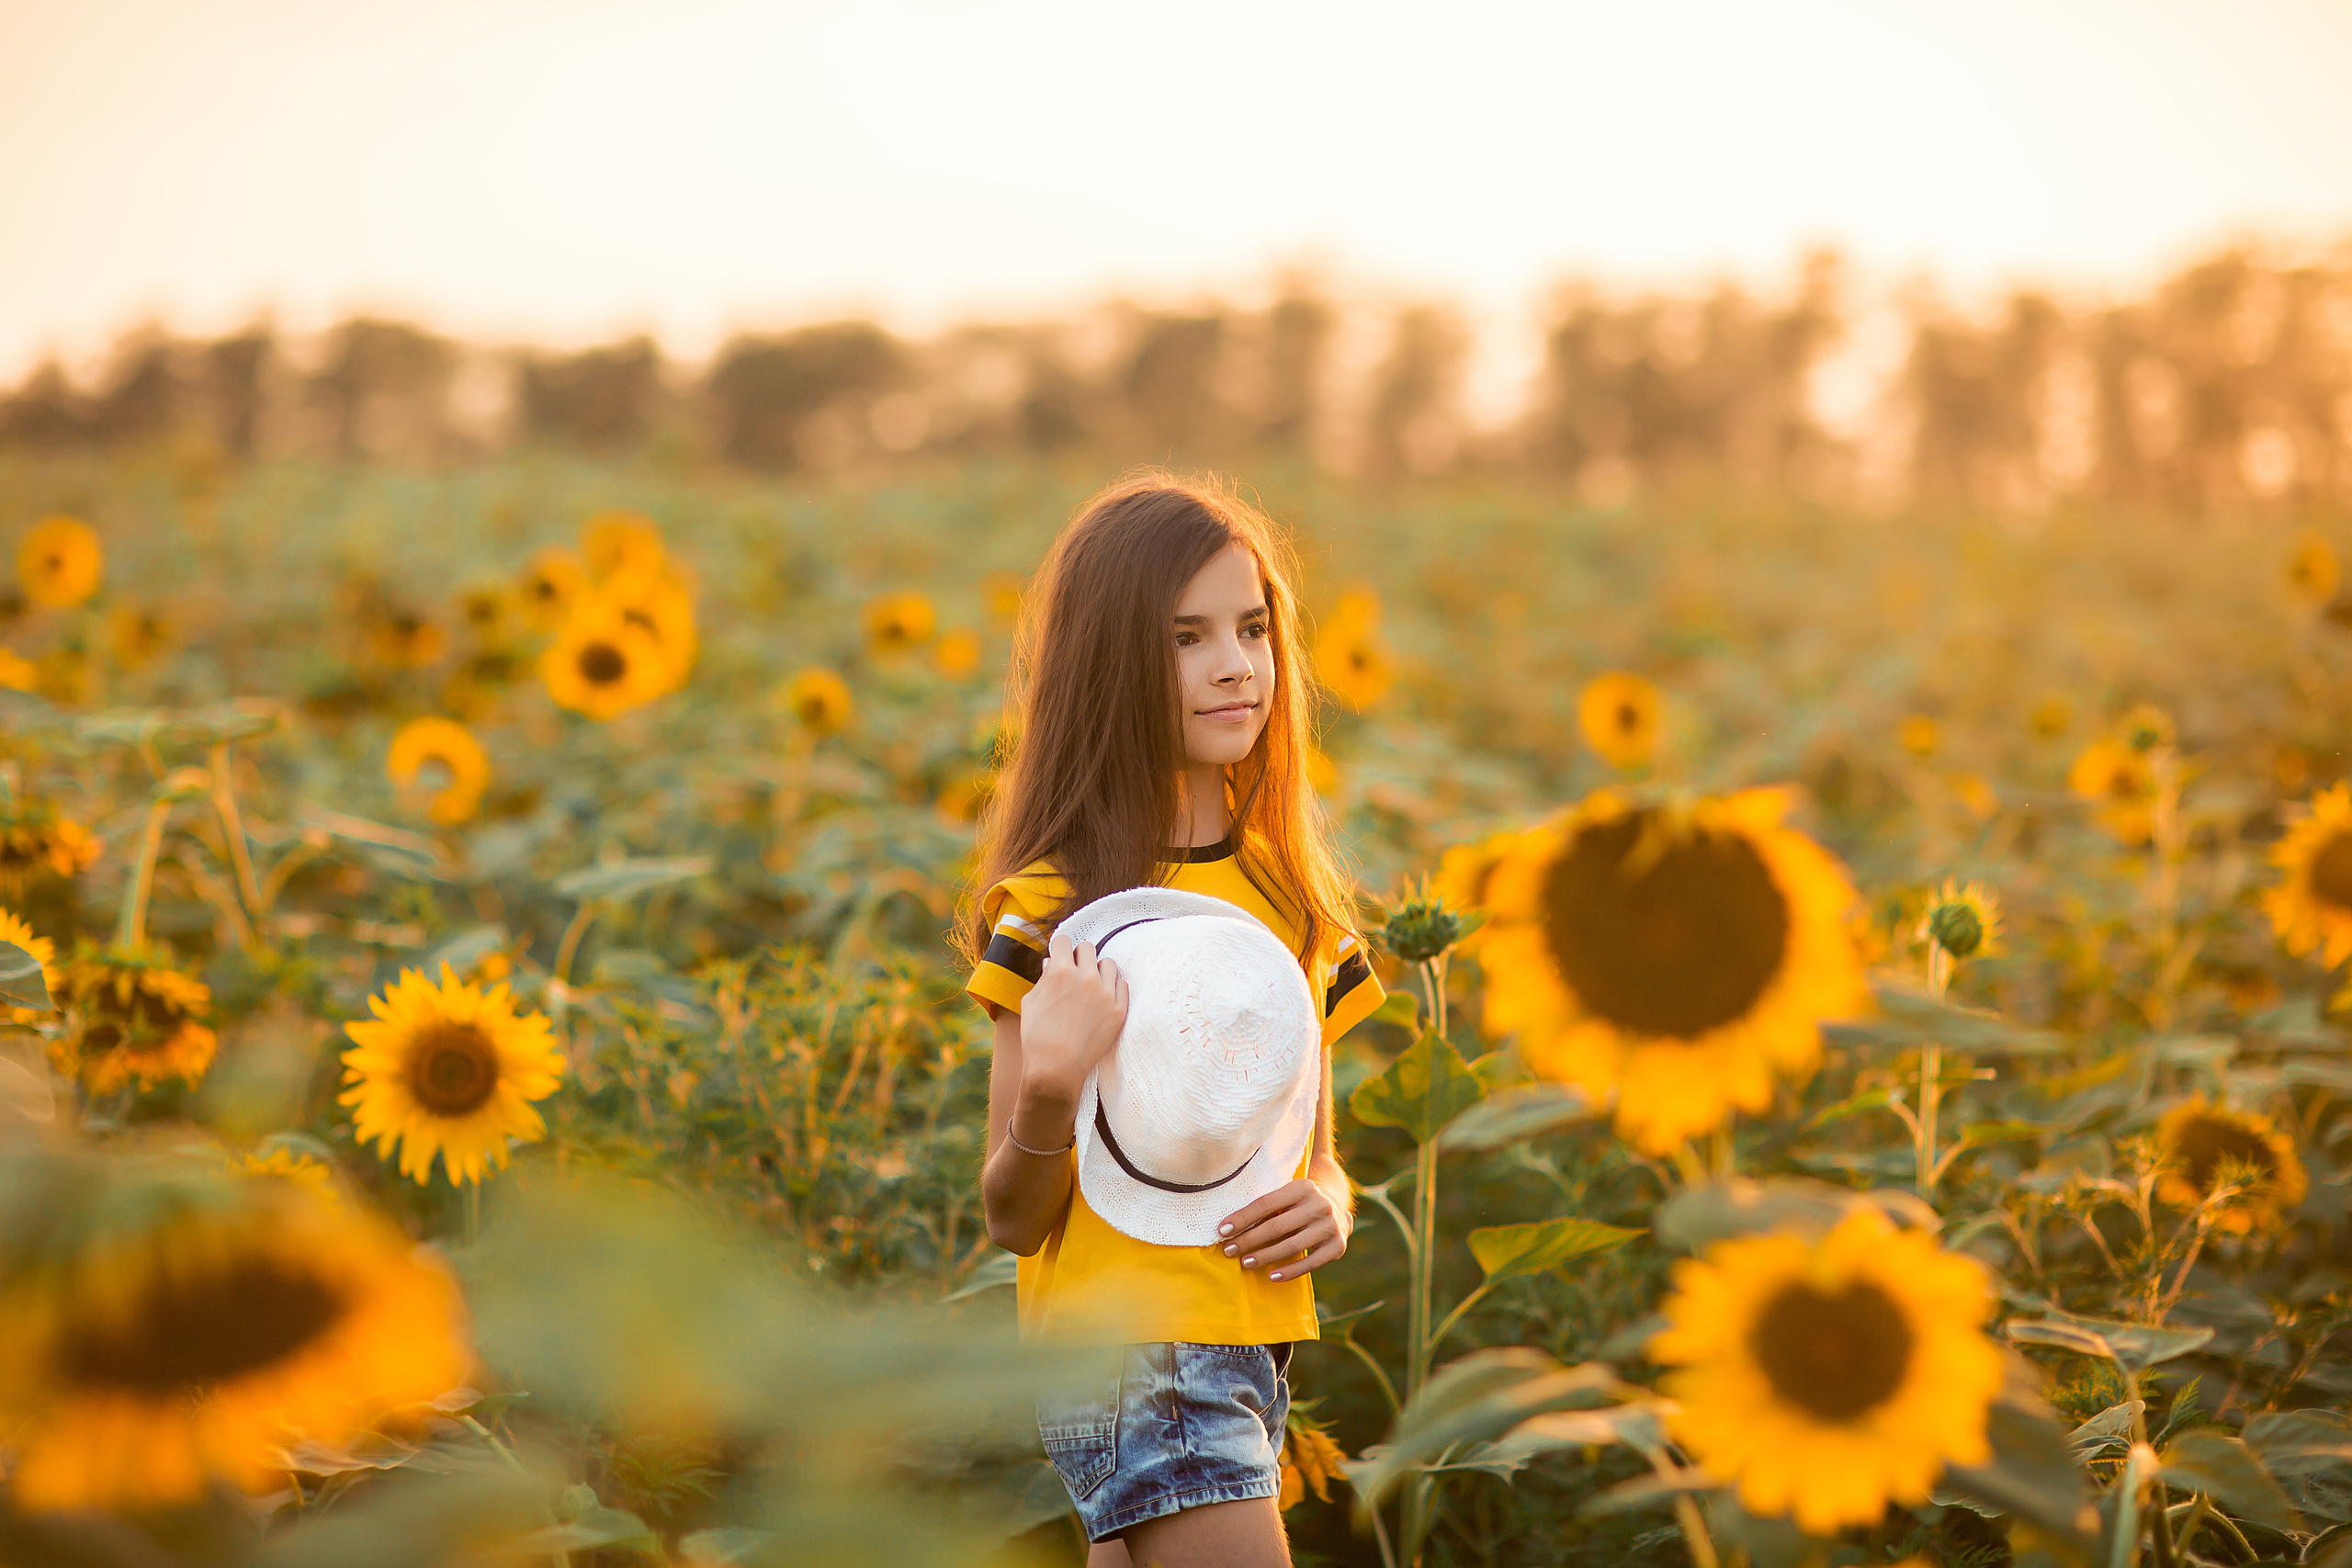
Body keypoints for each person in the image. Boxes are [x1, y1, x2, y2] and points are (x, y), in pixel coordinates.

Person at [963, 474, 1385, 1567]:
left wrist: (1330, 1205)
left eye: (1252, 628)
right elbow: (1013, 1216)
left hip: (1251, 1344)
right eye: (1185, 638)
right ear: (1110, 667)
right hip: (1131, 1351)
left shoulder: (1293, 908)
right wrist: (1052, 1093)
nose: (1236, 664)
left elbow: (1314, 1151)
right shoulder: (1054, 910)